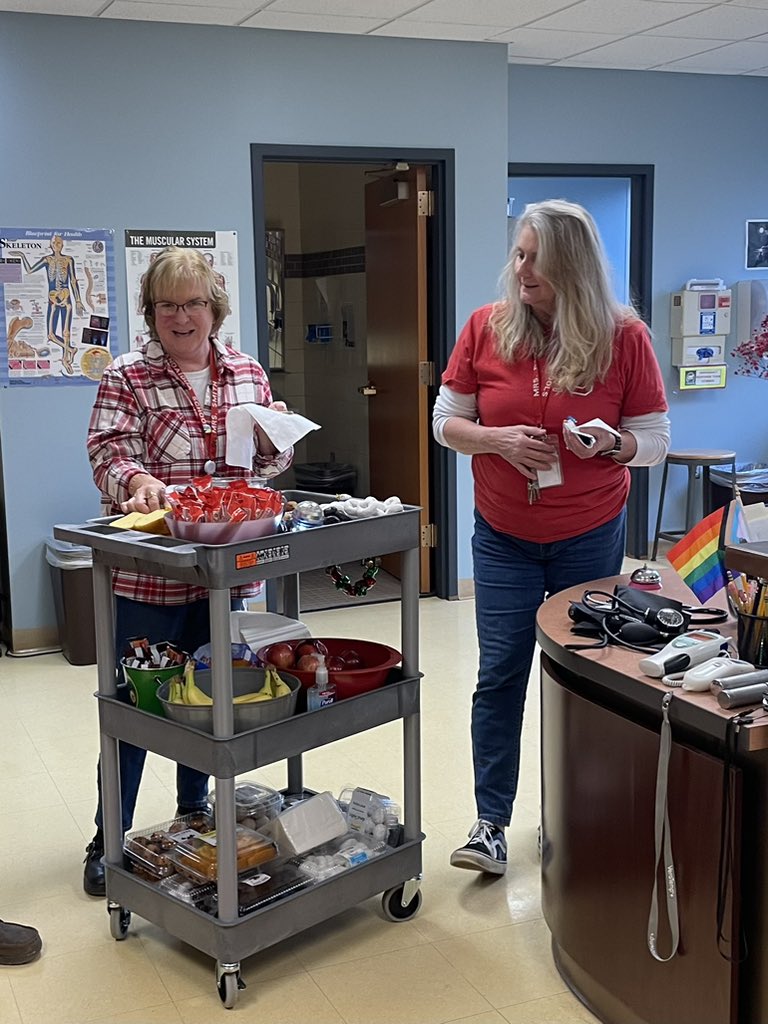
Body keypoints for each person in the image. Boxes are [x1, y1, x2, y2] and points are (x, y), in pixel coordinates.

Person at [432, 200, 670, 875]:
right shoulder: (486, 327)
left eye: (536, 257)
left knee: (587, 675)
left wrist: (615, 442)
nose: (522, 267)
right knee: (501, 673)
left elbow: (655, 440)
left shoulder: (624, 337)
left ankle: (583, 821)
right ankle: (490, 825)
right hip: (503, 536)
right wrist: (495, 439)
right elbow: (444, 422)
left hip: (588, 535)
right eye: (519, 254)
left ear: (572, 264)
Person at [83, 246, 293, 896]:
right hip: (149, 577)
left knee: (211, 701)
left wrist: (270, 444)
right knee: (138, 708)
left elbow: (265, 467)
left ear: (214, 309)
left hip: (226, 574)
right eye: (168, 304)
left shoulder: (247, 373)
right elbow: (108, 451)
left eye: (193, 302)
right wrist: (137, 479)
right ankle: (106, 839)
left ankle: (192, 818)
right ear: (152, 312)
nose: (182, 316)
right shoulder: (127, 375)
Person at [15, 233, 86, 375]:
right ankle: (70, 349)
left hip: (66, 298)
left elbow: (73, 280)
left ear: (62, 245)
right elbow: (29, 270)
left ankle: (66, 359)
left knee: (66, 332)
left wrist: (78, 300)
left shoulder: (68, 260)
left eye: (59, 243)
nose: (56, 245)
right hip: (52, 298)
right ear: (51, 245)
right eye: (54, 243)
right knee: (51, 335)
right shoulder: (47, 260)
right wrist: (22, 256)